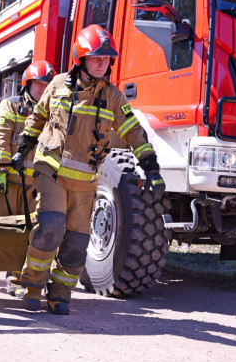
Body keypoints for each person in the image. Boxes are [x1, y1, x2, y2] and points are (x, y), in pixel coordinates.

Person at [10, 25, 164, 314]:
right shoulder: (56, 86)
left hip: (84, 181)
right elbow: (38, 117)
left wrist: (151, 168)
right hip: (51, 172)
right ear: (81, 58)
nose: (102, 63)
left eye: (106, 58)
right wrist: (21, 148)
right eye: (96, 58)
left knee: (78, 242)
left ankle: (60, 293)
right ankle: (32, 285)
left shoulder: (114, 98)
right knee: (50, 228)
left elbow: (134, 133)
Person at [0, 60, 54, 293]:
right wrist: (0, 173)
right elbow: (1, 140)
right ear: (27, 85)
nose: (43, 89)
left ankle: (15, 281)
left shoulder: (52, 113)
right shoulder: (11, 106)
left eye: (47, 85)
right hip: (5, 182)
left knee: (25, 233)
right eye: (38, 84)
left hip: (33, 184)